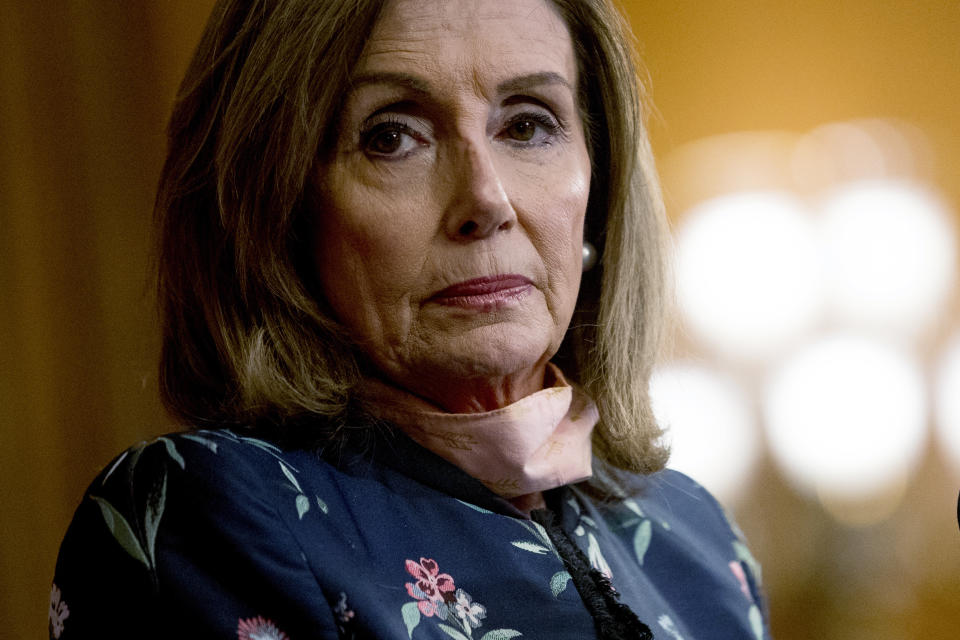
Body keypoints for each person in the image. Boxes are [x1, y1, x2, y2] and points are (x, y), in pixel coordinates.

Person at [50, 0, 769, 638]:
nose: (486, 200)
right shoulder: (210, 516)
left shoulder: (693, 537)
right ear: (278, 208)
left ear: (599, 184)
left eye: (527, 125)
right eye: (391, 137)